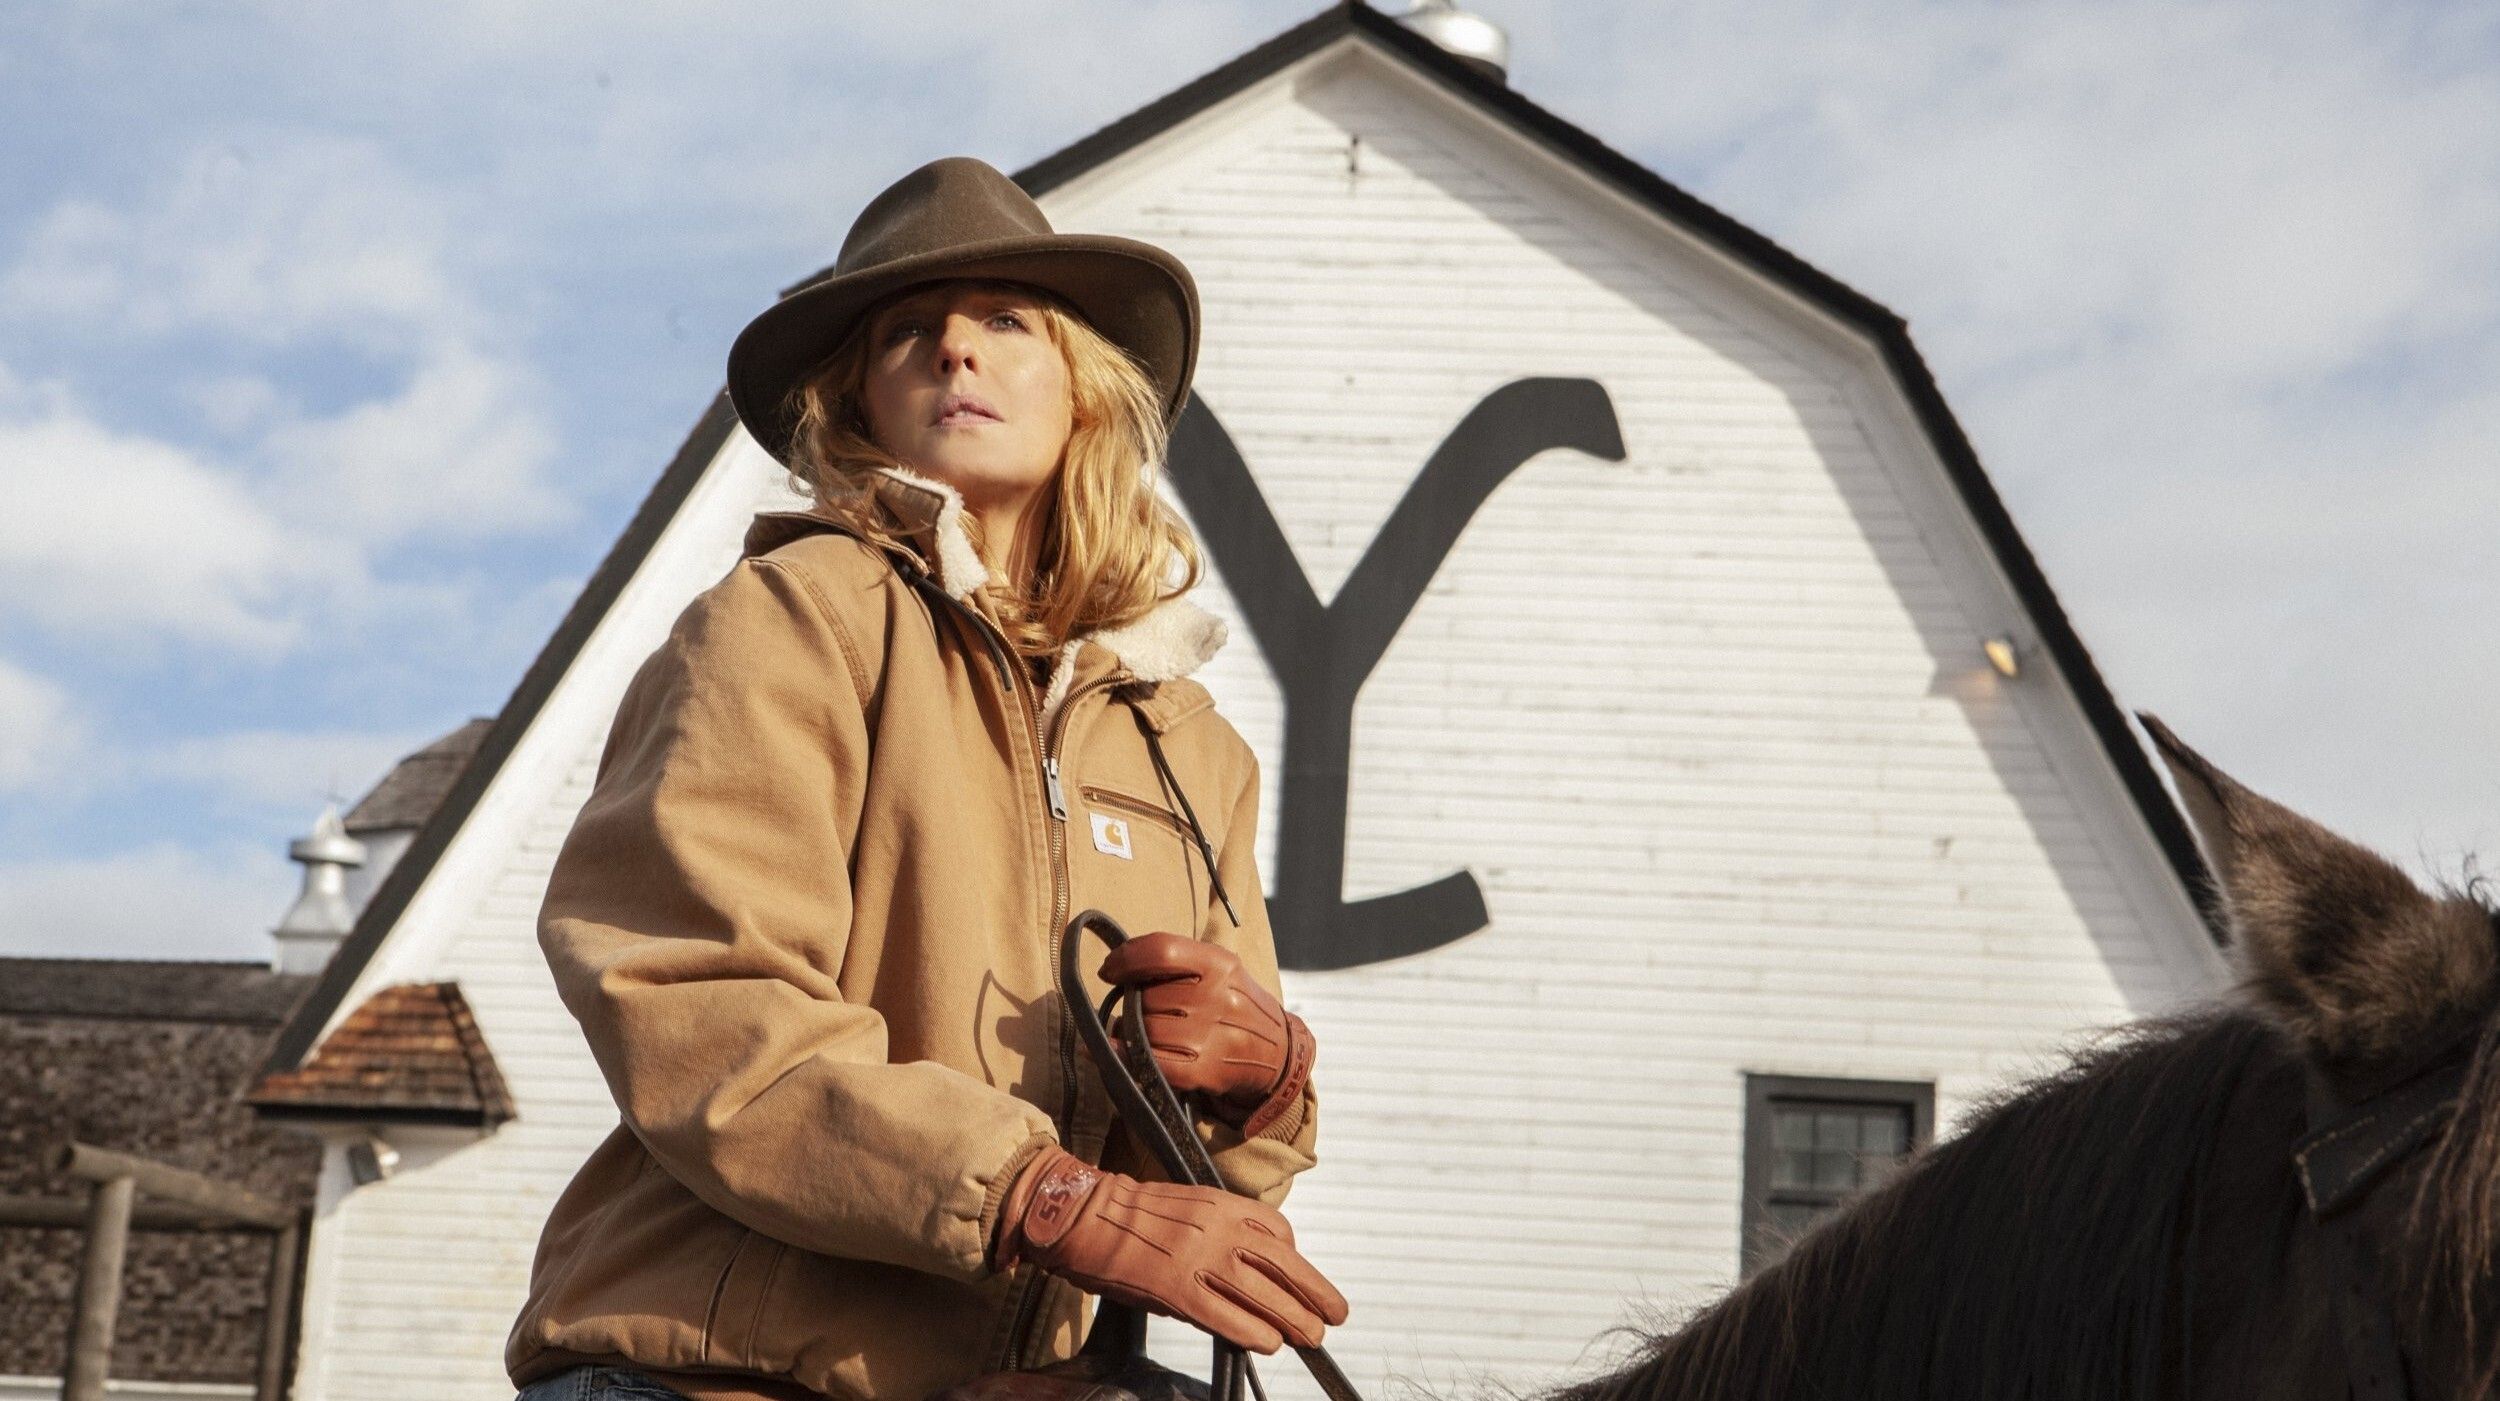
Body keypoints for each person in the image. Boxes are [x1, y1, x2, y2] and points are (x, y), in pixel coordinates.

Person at [503, 156, 1346, 1401]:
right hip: (707, 1379)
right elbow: (692, 992)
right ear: (858, 405)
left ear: (1083, 389)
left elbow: (1221, 1185)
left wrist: (1260, 1085)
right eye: (910, 332)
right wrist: (1039, 1197)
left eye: (1005, 321)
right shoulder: (789, 618)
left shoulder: (1189, 740)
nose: (955, 352)